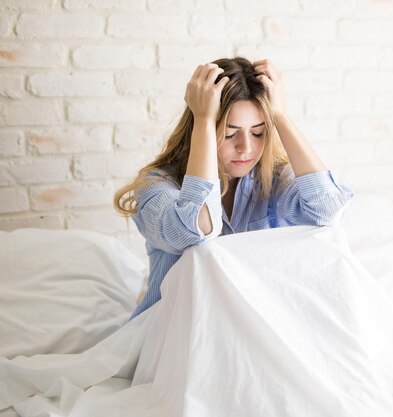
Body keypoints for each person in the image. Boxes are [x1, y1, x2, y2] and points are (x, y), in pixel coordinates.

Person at [114, 57, 353, 319]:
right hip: (177, 327)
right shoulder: (157, 185)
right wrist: (204, 120)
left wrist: (280, 115)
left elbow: (328, 211)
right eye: (229, 134)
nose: (246, 148)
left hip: (254, 326)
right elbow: (195, 231)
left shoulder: (273, 179)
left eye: (259, 132)